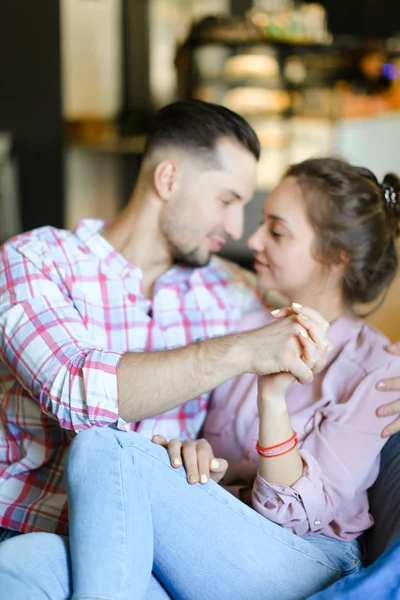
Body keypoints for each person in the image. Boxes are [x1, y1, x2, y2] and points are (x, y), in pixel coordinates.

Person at [0, 100, 330, 596]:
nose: (237, 228)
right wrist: (239, 351)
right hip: (31, 526)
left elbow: (327, 316)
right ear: (169, 179)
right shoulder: (35, 259)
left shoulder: (234, 290)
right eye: (227, 200)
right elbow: (74, 387)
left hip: (159, 547)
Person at [60, 158, 400, 600]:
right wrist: (189, 454)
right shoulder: (244, 326)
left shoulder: (377, 371)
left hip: (308, 559)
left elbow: (293, 516)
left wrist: (272, 400)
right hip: (221, 535)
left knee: (102, 446)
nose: (253, 239)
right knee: (30, 564)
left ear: (337, 258)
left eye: (277, 232)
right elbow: (213, 469)